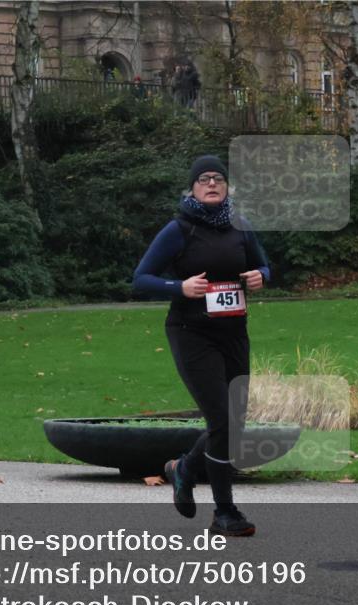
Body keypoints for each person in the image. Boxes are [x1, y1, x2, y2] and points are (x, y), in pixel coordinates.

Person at [132, 155, 271, 537]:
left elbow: (266, 266)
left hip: (234, 332)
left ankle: (185, 468)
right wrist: (179, 287)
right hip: (191, 332)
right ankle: (225, 513)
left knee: (235, 423)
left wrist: (261, 276)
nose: (212, 183)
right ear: (192, 188)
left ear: (227, 187)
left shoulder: (240, 226)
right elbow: (141, 277)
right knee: (221, 420)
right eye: (204, 179)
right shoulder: (180, 229)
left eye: (219, 179)